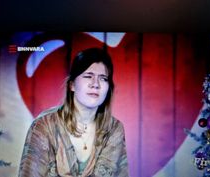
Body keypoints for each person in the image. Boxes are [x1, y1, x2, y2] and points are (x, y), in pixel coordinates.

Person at [18, 47, 129, 177]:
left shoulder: (114, 129)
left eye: (103, 78)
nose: (96, 84)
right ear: (72, 85)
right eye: (88, 76)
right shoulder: (44, 126)